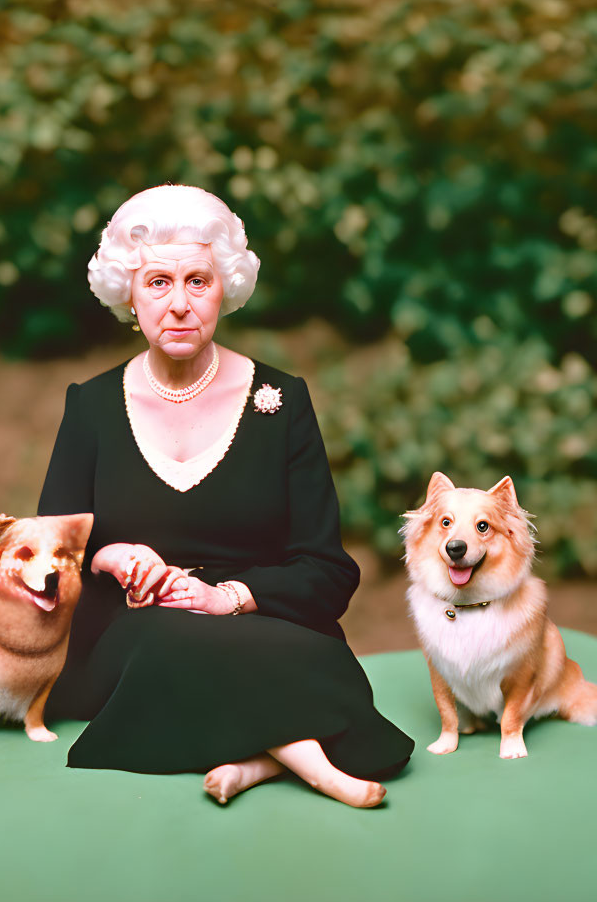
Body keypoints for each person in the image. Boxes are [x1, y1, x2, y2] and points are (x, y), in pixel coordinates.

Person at [38, 184, 413, 807]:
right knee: (167, 638)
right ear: (129, 294)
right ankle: (316, 767)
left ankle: (255, 761)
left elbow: (326, 569)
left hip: (259, 628)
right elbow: (46, 549)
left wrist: (227, 597)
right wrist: (111, 557)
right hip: (133, 638)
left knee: (319, 662)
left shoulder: (283, 402)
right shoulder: (91, 405)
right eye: (158, 282)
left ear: (226, 289)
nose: (179, 304)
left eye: (197, 281)